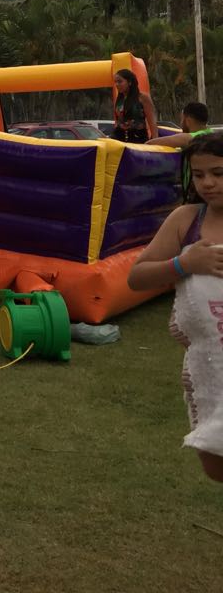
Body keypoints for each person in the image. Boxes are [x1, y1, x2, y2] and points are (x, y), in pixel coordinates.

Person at [127, 133, 223, 483]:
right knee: (215, 464)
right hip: (210, 369)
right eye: (198, 175)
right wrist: (184, 263)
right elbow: (136, 277)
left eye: (218, 173)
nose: (207, 183)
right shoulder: (186, 220)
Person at [149, 102, 212, 200]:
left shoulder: (189, 138)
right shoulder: (212, 134)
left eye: (182, 119)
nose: (181, 123)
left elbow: (149, 144)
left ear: (188, 120)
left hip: (197, 192)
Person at [112, 68, 157, 144]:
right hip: (119, 137)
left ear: (129, 82)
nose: (117, 84)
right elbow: (118, 120)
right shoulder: (120, 99)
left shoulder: (142, 98)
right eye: (115, 82)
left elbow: (152, 121)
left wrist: (155, 140)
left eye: (120, 81)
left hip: (138, 137)